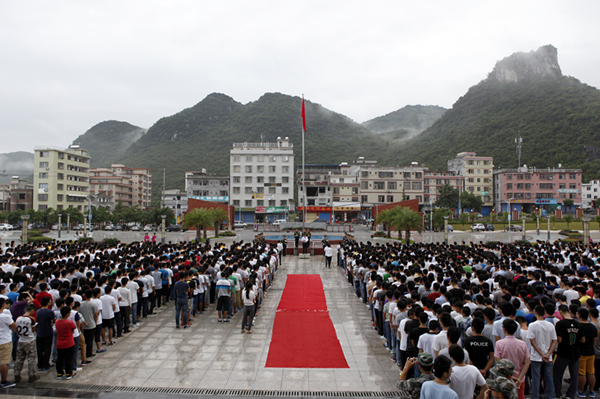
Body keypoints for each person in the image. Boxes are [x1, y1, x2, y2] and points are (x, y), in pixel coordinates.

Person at [553, 304, 584, 399]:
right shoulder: (578, 323)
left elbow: (560, 340)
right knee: (574, 375)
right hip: (575, 352)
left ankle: (557, 393)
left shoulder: (560, 324)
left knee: (557, 374)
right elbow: (583, 340)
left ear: (561, 312)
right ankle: (571, 394)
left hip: (563, 352)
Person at [494, 319, 530, 399]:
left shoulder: (499, 344)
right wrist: (520, 378)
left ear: (504, 330)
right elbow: (527, 363)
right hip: (519, 379)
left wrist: (508, 376)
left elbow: (499, 363)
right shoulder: (522, 344)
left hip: (504, 379)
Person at [528, 305, 557, 399]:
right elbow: (555, 340)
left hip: (536, 356)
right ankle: (550, 396)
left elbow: (532, 342)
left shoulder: (532, 325)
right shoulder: (550, 325)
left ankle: (535, 396)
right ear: (544, 313)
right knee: (549, 377)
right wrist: (548, 354)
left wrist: (541, 354)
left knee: (536, 378)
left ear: (535, 313)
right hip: (548, 356)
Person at [13, 304, 39, 383]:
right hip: (29, 340)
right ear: (31, 310)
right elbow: (33, 329)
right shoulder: (31, 319)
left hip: (21, 340)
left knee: (19, 358)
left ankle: (16, 374)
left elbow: (15, 330)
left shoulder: (18, 319)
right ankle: (31, 375)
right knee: (31, 358)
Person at [577, 307, 598, 398]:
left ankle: (581, 390)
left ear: (579, 315)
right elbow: (595, 340)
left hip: (582, 352)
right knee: (591, 372)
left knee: (582, 372)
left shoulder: (579, 326)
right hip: (591, 352)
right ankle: (591, 390)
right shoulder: (592, 326)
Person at [55, 306, 77, 380]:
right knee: (68, 359)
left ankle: (59, 373)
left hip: (59, 343)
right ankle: (68, 373)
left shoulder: (57, 321)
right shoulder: (69, 323)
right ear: (67, 314)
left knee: (60, 359)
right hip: (69, 343)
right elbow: (73, 328)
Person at [0, 297, 16, 388]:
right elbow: (13, 325)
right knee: (4, 362)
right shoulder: (5, 316)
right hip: (4, 340)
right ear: (3, 305)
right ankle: (4, 381)